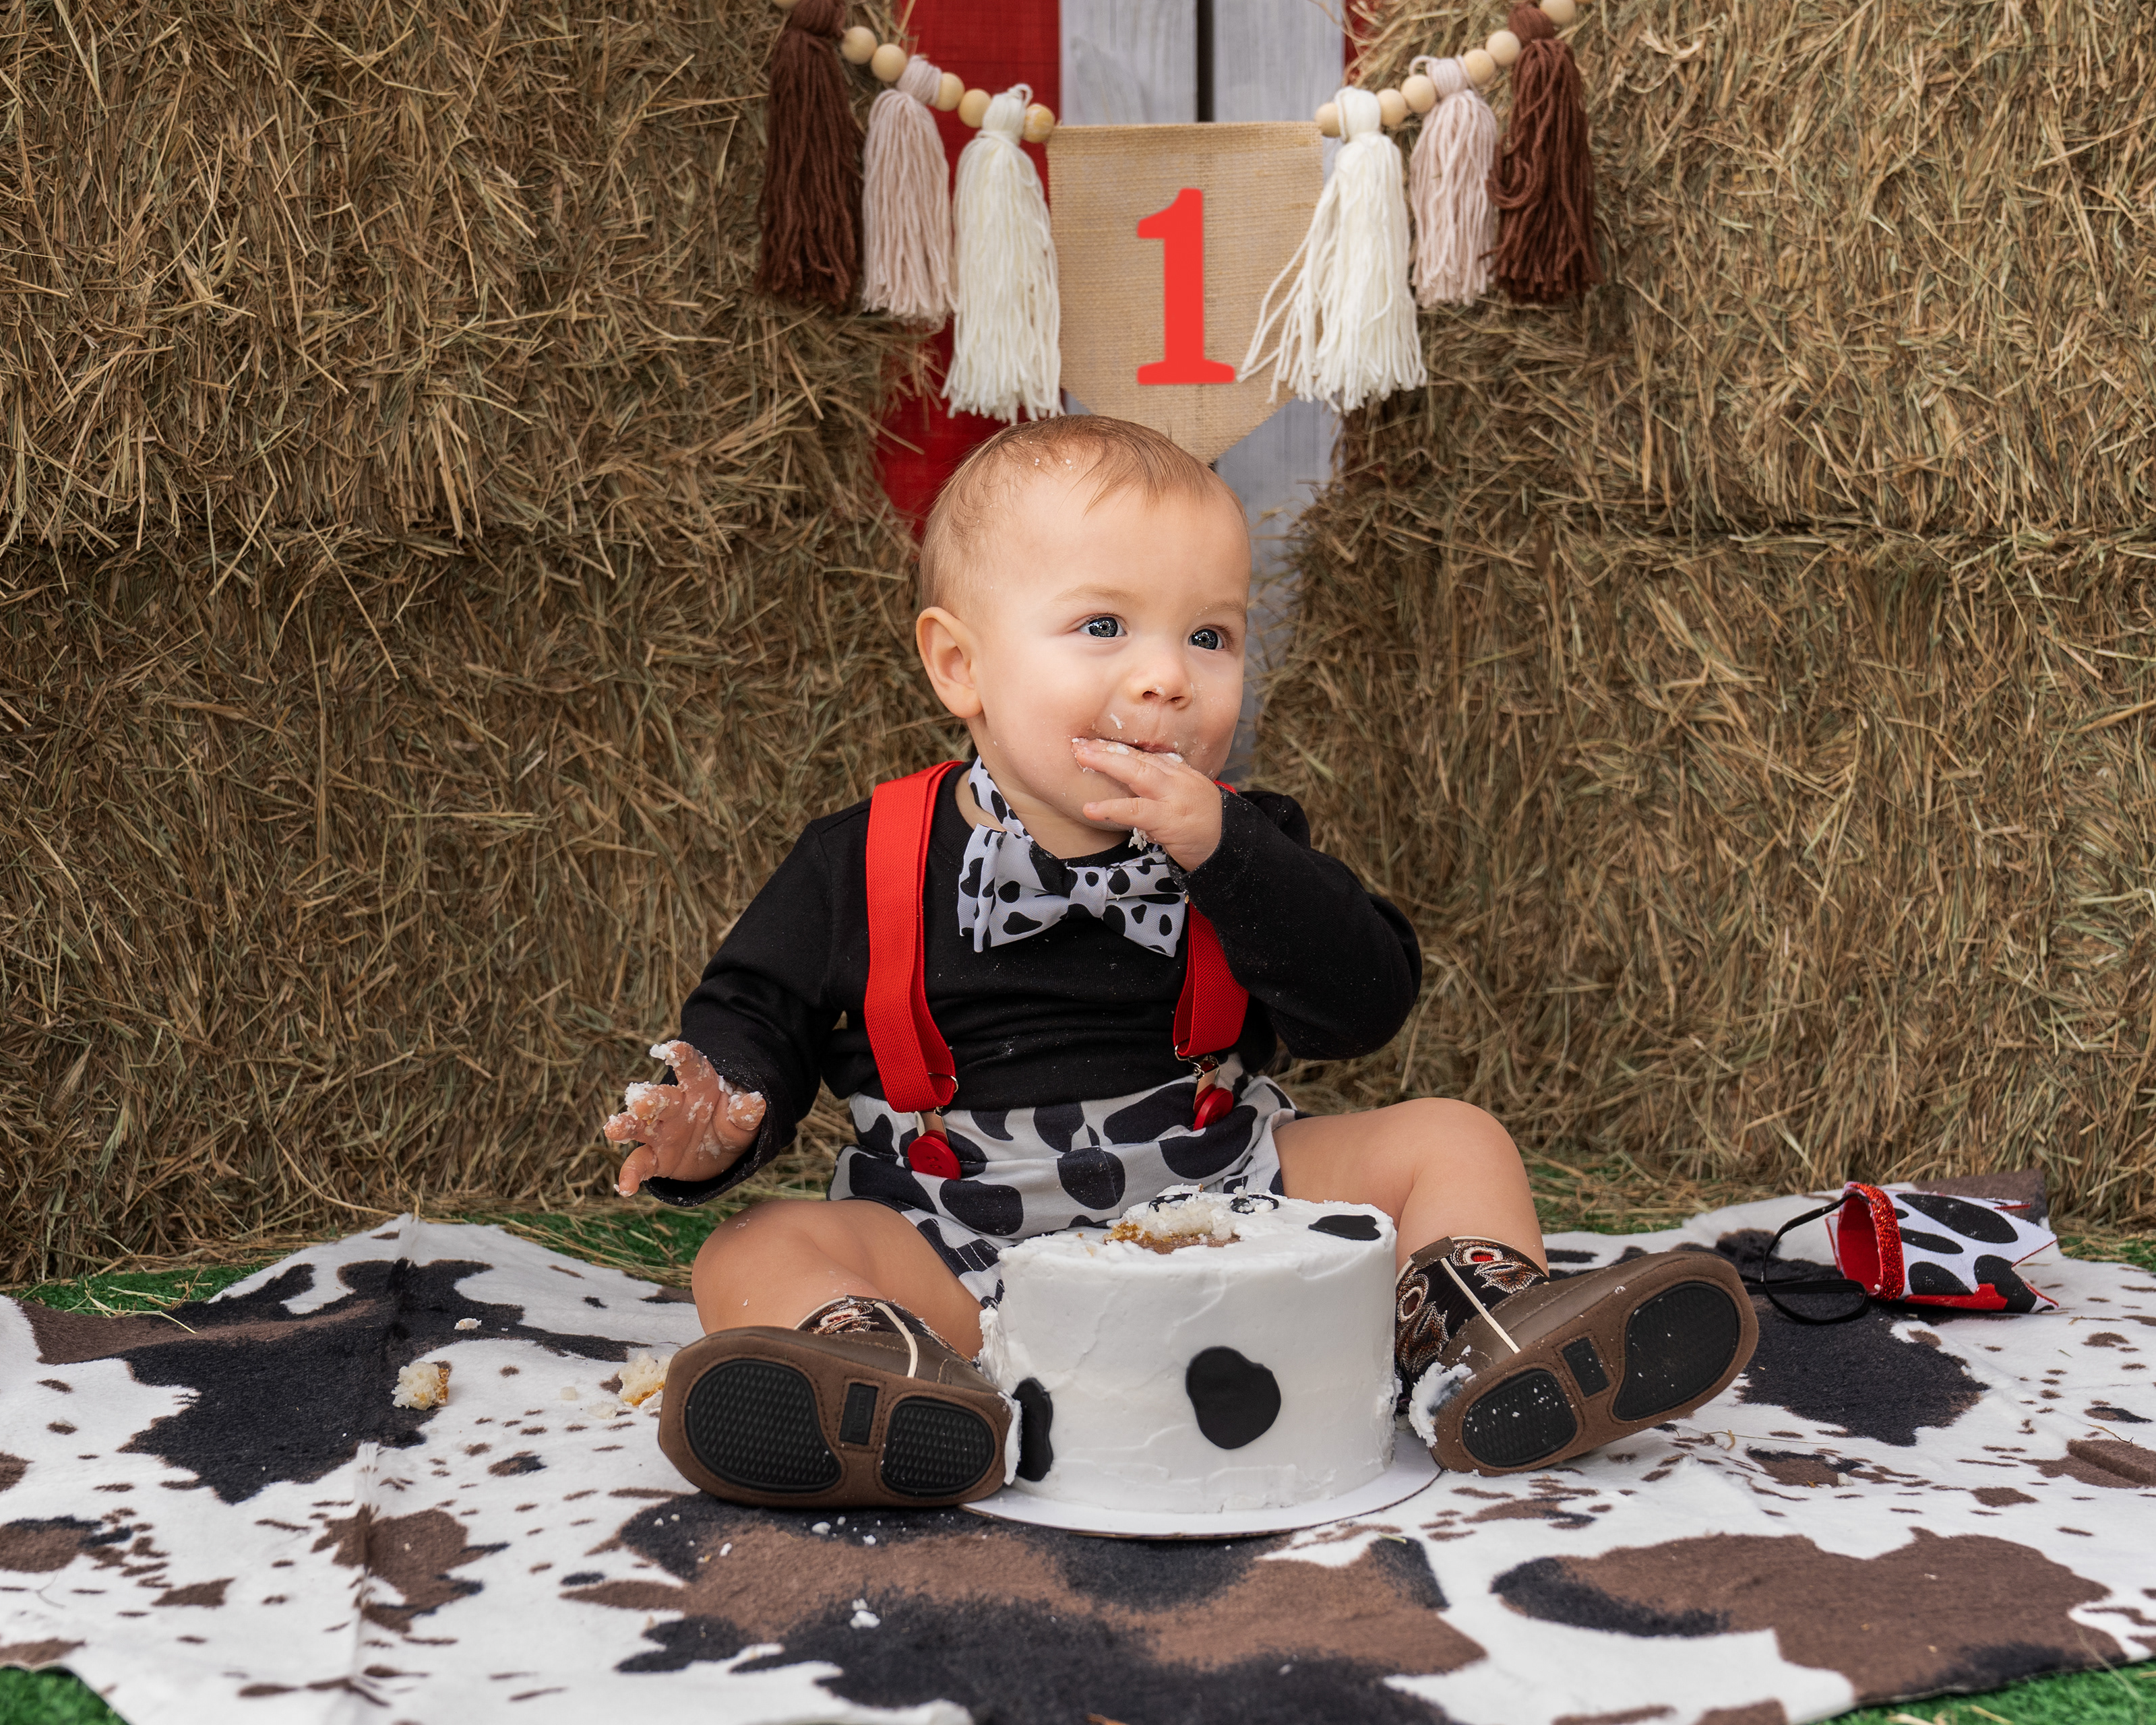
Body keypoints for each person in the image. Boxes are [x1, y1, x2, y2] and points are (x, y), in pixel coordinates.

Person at [604, 414, 1753, 1509]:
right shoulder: (861, 860)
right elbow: (756, 1013)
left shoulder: (1250, 846)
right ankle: (886, 1383)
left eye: (1210, 637)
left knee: (1453, 1138)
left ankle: (1475, 1335)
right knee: (756, 1250)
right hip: (957, 1246)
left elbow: (1363, 1006)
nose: (1167, 677)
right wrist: (721, 1105)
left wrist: (1230, 856)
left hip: (1232, 1213)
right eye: (1105, 626)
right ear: (960, 666)